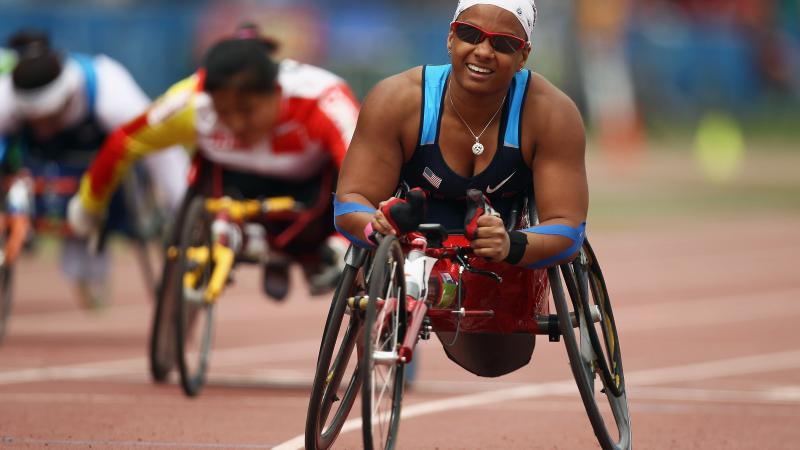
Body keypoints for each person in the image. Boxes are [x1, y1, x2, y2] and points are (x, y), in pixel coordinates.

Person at [332, 0, 588, 375]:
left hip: (497, 236)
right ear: (451, 37)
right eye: (471, 35)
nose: (483, 51)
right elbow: (348, 203)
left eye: (502, 44)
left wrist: (512, 244)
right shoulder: (398, 100)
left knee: (495, 362)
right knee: (366, 260)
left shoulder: (551, 113)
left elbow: (568, 226)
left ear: (523, 56)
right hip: (412, 226)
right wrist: (376, 225)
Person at [67, 25, 359, 301]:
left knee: (353, 172)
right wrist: (89, 206)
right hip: (230, 190)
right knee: (204, 166)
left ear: (277, 93)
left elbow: (362, 168)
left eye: (246, 110)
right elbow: (123, 143)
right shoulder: (191, 102)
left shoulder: (322, 100)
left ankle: (306, 249)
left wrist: (346, 239)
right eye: (223, 112)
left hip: (313, 199)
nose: (236, 124)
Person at [0, 29, 190, 308]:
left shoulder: (110, 91)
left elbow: (162, 150)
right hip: (37, 173)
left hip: (104, 176)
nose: (43, 128)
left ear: (66, 98)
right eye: (34, 120)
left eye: (49, 118)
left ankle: (92, 258)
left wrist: (183, 207)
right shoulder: (7, 96)